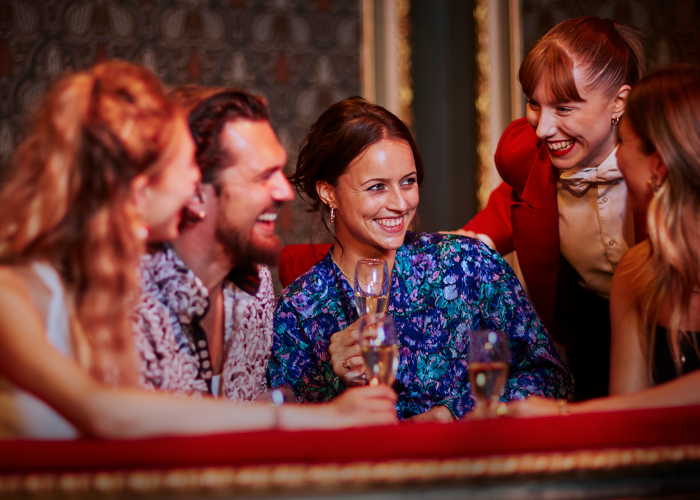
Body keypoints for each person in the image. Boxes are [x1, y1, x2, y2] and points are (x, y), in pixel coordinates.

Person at [0, 62, 397, 439]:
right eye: (184, 165)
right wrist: (312, 419)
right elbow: (108, 413)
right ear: (140, 186)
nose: (192, 182)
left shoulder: (104, 277)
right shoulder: (21, 288)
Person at [268, 97, 573, 422]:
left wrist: (451, 413)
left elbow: (550, 377)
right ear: (328, 192)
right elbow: (286, 435)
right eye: (376, 187)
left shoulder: (468, 264)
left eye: (408, 182)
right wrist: (331, 380)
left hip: (470, 467)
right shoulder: (297, 311)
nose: (400, 204)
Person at [448, 17, 646, 401]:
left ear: (618, 102)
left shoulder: (663, 164)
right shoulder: (532, 162)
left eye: (565, 108)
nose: (542, 129)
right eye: (535, 105)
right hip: (587, 332)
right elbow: (496, 221)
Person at [507, 64, 700, 417]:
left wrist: (565, 415)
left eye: (624, 143)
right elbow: (621, 419)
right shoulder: (637, 270)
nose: (617, 159)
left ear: (658, 167)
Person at [133, 86, 292, 401]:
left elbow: (253, 407)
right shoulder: (128, 295)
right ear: (194, 192)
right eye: (263, 176)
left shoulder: (256, 285)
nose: (285, 191)